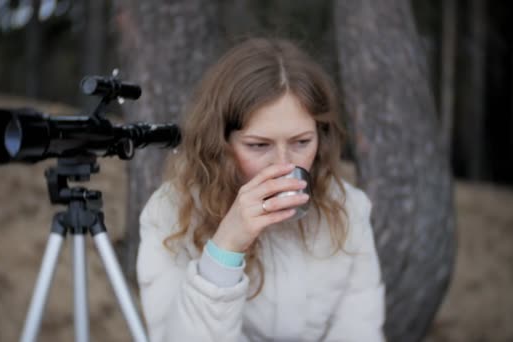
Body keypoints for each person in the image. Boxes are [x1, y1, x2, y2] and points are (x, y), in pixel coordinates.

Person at [136, 37, 385, 341]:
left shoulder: (349, 209)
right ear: (221, 143)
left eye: (301, 142)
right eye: (258, 145)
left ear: (321, 137)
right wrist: (226, 247)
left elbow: (359, 331)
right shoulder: (171, 214)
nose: (282, 164)